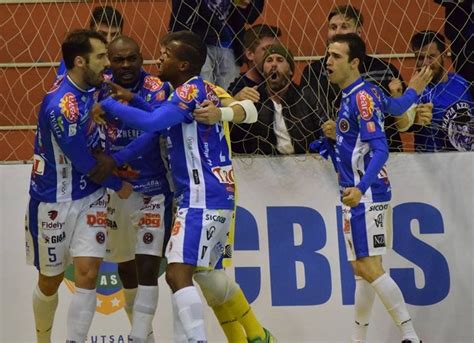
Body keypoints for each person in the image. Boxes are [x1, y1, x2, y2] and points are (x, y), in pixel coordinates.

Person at [92, 31, 273, 342]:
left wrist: (110, 105)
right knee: (202, 276)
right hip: (210, 196)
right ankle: (253, 336)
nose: (159, 58)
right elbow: (161, 117)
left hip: (202, 197)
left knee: (178, 275)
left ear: (184, 64)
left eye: (166, 54)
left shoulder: (189, 93)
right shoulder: (190, 92)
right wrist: (133, 98)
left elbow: (151, 124)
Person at [24, 29, 132, 343]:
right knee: (50, 281)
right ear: (80, 62)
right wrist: (117, 184)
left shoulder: (93, 82)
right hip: (53, 201)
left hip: (91, 197)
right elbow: (83, 161)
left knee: (88, 273)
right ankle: (42, 338)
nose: (107, 63)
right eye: (101, 57)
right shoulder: (60, 106)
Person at [325, 33, 432, 343]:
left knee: (368, 266)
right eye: (328, 55)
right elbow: (396, 105)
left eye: (336, 56)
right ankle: (359, 339)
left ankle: (411, 336)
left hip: (365, 194)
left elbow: (382, 149)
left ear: (355, 62)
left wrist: (360, 188)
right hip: (358, 192)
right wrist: (414, 90)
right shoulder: (360, 92)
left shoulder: (361, 96)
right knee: (361, 269)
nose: (328, 62)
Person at [99, 36, 173, 343]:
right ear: (110, 62)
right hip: (116, 190)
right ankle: (145, 335)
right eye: (119, 60)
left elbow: (153, 130)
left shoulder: (157, 88)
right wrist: (111, 171)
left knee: (147, 264)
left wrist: (117, 159)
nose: (126, 66)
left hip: (153, 188)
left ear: (141, 58)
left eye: (132, 59)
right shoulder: (98, 88)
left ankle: (138, 336)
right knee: (125, 267)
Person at [300, 5, 407, 151]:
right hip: (333, 154)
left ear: (358, 32)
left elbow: (405, 123)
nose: (337, 32)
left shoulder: (384, 69)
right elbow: (311, 116)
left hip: (383, 153)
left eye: (344, 26)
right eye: (332, 27)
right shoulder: (314, 72)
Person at [231, 43, 325, 155]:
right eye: (269, 60)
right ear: (263, 70)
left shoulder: (307, 96)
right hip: (264, 165)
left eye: (280, 60)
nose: (274, 64)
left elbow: (324, 131)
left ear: (291, 70)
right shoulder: (253, 98)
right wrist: (235, 102)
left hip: (306, 162)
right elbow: (233, 137)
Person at [169, 0, 265, 90]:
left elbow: (250, 16)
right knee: (200, 94)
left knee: (229, 97)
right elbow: (181, 14)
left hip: (230, 45)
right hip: (196, 43)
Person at [410, 30, 473, 152]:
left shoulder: (461, 82)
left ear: (444, 55)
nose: (425, 63)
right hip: (434, 163)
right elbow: (403, 125)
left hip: (466, 160)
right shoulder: (415, 91)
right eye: (420, 58)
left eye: (431, 57)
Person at [57, 5, 124, 78]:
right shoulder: (74, 60)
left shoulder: (127, 61)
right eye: (102, 34)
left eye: (114, 34)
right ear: (92, 33)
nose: (108, 40)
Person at [228, 23, 282, 95]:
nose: (274, 54)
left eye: (277, 49)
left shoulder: (285, 85)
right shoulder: (237, 90)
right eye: (268, 49)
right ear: (250, 54)